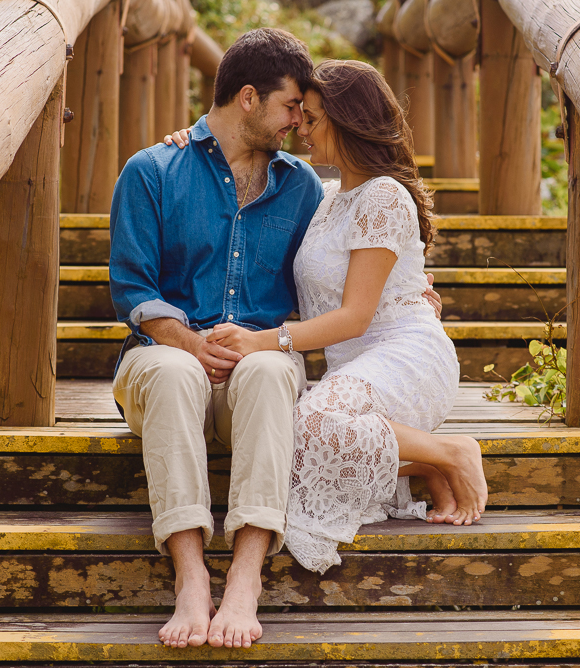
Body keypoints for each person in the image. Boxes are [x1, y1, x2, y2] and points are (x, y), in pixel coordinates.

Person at [111, 29, 442, 650]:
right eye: (292, 107)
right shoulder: (152, 170)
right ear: (246, 99)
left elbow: (359, 245)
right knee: (176, 371)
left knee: (266, 373)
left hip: (256, 373)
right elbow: (132, 289)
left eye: (306, 112)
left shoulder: (302, 188)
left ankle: (244, 576)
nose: (300, 122)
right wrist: (184, 340)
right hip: (162, 361)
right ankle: (189, 577)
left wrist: (414, 282)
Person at [170, 60, 488, 575]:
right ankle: (423, 463)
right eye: (298, 116)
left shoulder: (384, 195)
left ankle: (451, 451)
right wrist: (195, 141)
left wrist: (259, 341)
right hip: (351, 371)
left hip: (402, 355)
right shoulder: (329, 199)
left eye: (312, 119)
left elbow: (357, 316)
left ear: (347, 121)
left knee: (306, 424)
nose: (300, 129)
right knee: (281, 437)